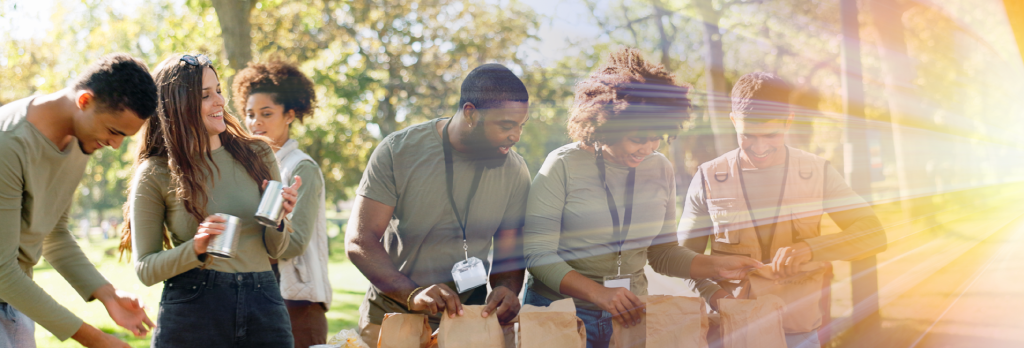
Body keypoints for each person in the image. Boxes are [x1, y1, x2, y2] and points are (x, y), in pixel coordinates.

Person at [522, 48, 761, 348]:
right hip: (560, 314)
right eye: (637, 138)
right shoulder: (562, 165)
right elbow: (537, 254)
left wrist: (716, 267)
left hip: (630, 314)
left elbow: (663, 254)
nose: (647, 148)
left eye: (656, 137)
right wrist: (600, 294)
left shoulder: (660, 168)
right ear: (608, 126)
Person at [678, 72, 888, 348]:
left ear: (788, 120)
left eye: (771, 135)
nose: (760, 147)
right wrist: (716, 296)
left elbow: (874, 234)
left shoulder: (818, 171)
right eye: (748, 135)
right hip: (733, 332)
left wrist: (809, 249)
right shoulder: (707, 177)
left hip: (800, 334)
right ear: (733, 121)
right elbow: (681, 259)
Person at [119, 53, 302, 347]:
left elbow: (275, 249)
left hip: (264, 302)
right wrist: (197, 247)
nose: (220, 101)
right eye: (206, 95)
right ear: (177, 105)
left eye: (218, 90)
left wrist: (279, 218)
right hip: (193, 307)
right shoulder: (155, 172)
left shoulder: (258, 154)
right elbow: (146, 268)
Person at [345, 63, 531, 346]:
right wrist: (412, 293)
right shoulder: (398, 151)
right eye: (506, 125)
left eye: (520, 126)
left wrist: (507, 289)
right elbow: (360, 241)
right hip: (393, 318)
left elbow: (509, 251)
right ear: (470, 113)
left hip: (470, 322)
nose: (515, 136)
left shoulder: (515, 170)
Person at [0, 53, 158, 348]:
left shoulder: (79, 141)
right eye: (114, 131)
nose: (114, 145)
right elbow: (1, 270)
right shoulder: (9, 142)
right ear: (84, 101)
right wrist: (95, 339)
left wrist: (108, 295)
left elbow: (54, 235)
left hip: (15, 303)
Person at [234, 61, 332, 348]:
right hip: (259, 297)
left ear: (289, 115)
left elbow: (296, 242)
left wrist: (241, 249)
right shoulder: (250, 168)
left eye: (266, 114)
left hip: (298, 304)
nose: (255, 123)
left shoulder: (302, 168)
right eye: (250, 114)